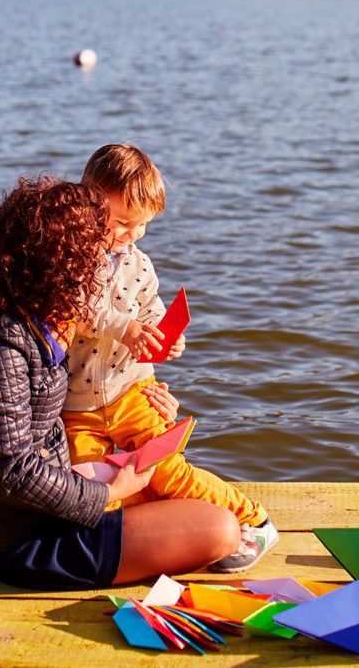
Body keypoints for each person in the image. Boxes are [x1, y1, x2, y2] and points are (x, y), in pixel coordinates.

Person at [0, 177, 239, 590]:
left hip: (60, 494)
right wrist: (109, 493)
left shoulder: (10, 298)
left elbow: (43, 420)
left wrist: (145, 398)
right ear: (50, 268)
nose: (92, 285)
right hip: (31, 543)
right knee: (219, 529)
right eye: (85, 272)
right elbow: (13, 473)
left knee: (177, 490)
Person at [62, 144, 278, 573]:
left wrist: (166, 336)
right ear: (89, 203)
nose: (132, 233)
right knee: (91, 484)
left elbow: (151, 310)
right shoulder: (70, 259)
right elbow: (78, 308)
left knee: (167, 471)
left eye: (141, 225)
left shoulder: (139, 265)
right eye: (123, 222)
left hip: (132, 389)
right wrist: (124, 329)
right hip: (78, 405)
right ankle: (161, 531)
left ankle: (253, 519)